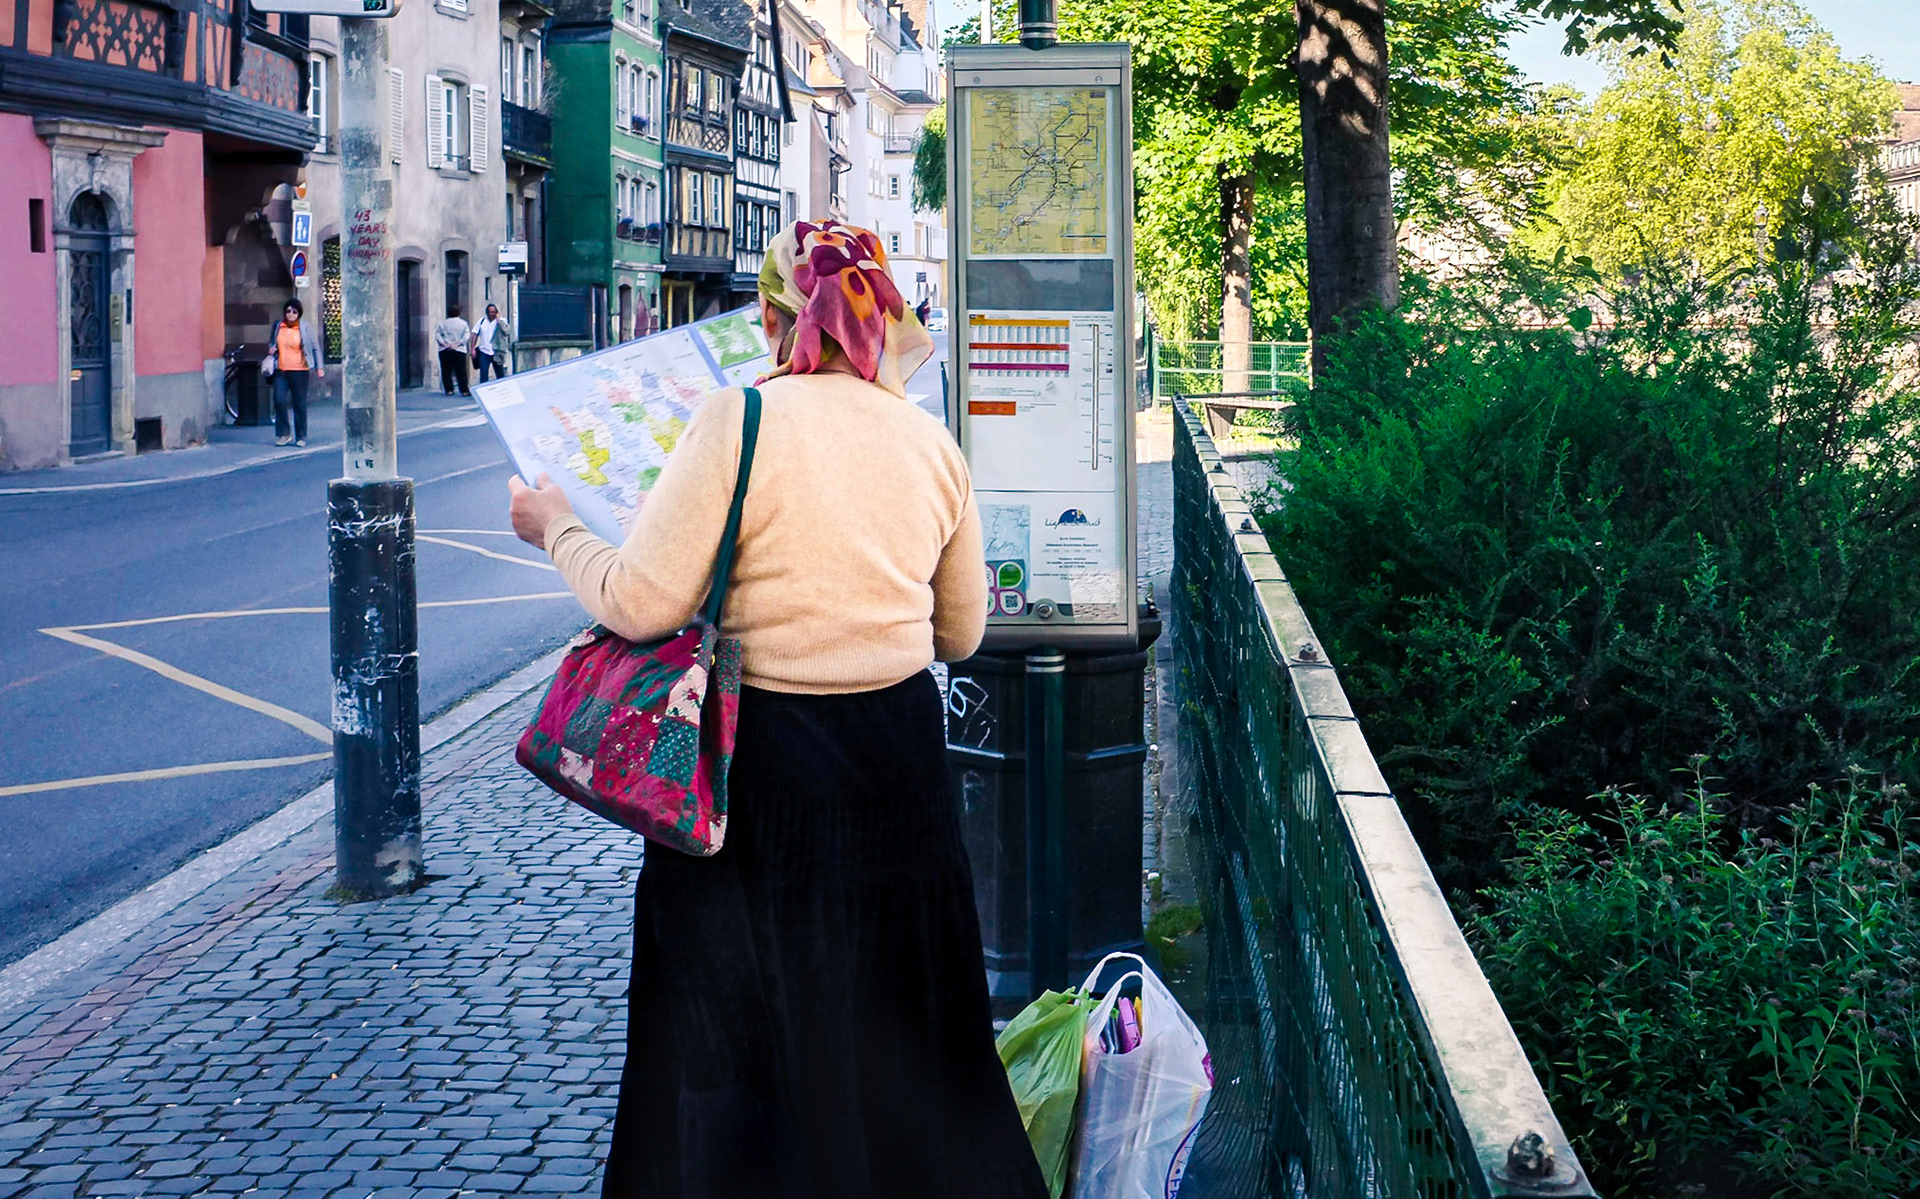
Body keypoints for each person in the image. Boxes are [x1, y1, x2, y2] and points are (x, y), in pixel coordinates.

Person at [507, 220, 1045, 1199]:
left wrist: (560, 528)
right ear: (880, 317)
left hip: (758, 767)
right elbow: (960, 633)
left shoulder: (737, 418)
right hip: (897, 763)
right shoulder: (930, 442)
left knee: (740, 1014)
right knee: (898, 1006)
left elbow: (641, 602)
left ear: (770, 316)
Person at [263, 298, 323, 447]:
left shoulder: (305, 328)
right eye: (288, 311)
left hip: (300, 370)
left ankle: (301, 436)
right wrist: (271, 349)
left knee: (299, 404)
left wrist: (319, 367)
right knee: (279, 400)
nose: (291, 314)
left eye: (294, 312)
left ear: (299, 314)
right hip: (281, 370)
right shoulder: (278, 326)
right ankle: (284, 434)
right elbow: (272, 343)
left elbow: (315, 347)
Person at [435, 305, 472, 397]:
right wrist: (458, 343)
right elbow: (466, 336)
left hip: (445, 349)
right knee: (461, 371)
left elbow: (438, 335)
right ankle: (464, 390)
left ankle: (449, 389)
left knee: (446, 370)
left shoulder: (443, 323)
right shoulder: (463, 323)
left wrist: (444, 344)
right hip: (459, 350)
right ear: (459, 313)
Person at [472, 302, 511, 382]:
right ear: (487, 312)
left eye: (493, 312)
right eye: (490, 312)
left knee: (500, 373)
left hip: (497, 351)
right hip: (484, 351)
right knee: (483, 372)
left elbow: (506, 331)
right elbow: (475, 334)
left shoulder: (502, 321)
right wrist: (472, 348)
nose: (491, 314)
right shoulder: (481, 321)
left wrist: (499, 320)